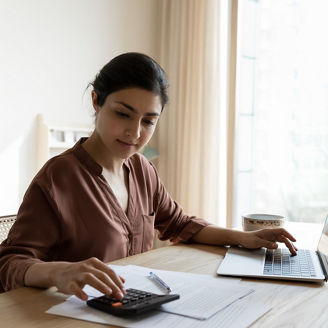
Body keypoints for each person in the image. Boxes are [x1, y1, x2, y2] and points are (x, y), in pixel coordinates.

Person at [0, 52, 297, 301]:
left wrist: (243, 238)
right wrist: (59, 272)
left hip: (133, 310)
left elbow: (179, 224)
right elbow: (10, 262)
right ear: (96, 102)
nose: (135, 132)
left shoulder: (142, 170)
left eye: (148, 121)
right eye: (123, 114)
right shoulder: (58, 177)